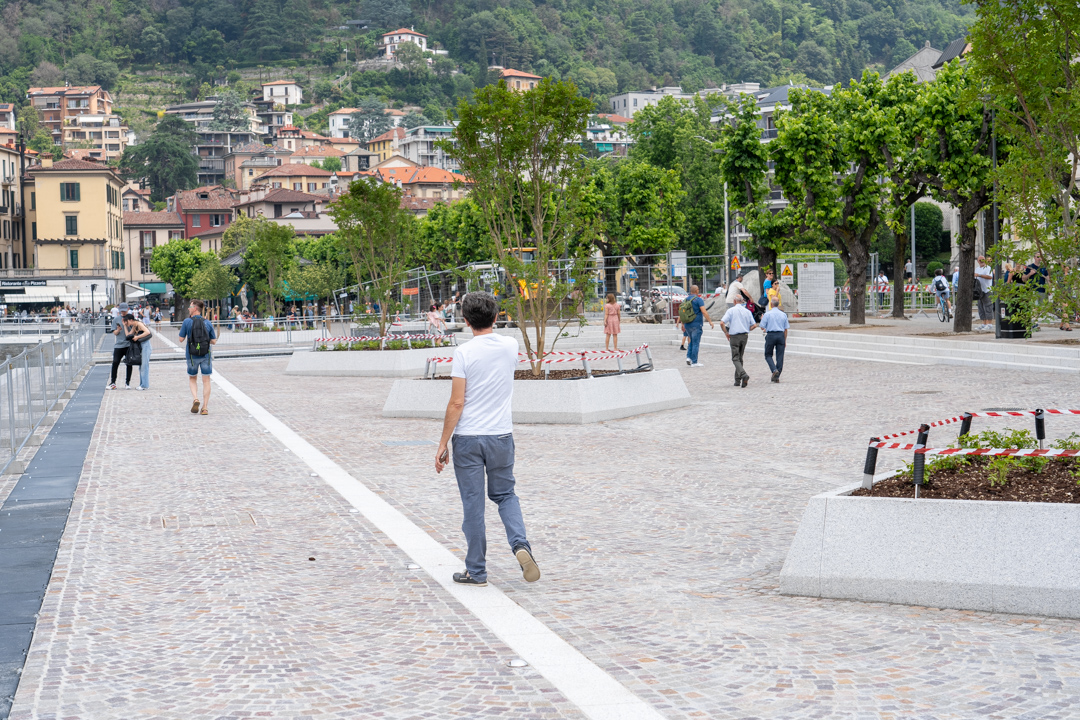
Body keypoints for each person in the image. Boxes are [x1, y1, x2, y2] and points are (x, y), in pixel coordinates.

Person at [434, 292, 539, 588]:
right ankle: (520, 545)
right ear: (496, 317)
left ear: (466, 322)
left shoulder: (464, 353)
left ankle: (476, 571)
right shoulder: (510, 345)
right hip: (501, 436)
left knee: (473, 504)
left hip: (468, 438)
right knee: (505, 495)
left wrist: (443, 443)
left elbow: (456, 403)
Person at [178, 300, 217, 415]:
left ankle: (195, 398)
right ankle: (205, 407)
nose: (188, 308)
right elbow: (213, 341)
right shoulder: (207, 323)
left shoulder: (187, 322)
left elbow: (181, 339)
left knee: (192, 378)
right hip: (205, 355)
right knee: (206, 380)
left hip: (192, 355)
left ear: (195, 308)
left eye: (190, 306)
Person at [720, 294, 758, 387]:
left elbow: (722, 322)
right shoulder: (747, 311)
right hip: (744, 336)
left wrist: (726, 332)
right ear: (742, 301)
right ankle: (737, 380)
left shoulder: (731, 311)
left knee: (735, 358)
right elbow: (754, 325)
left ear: (734, 301)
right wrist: (747, 329)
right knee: (740, 357)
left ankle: (743, 375)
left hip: (734, 336)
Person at [682, 285, 714, 368]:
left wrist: (682, 324)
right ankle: (694, 362)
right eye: (698, 289)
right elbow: (704, 311)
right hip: (696, 324)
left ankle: (689, 358)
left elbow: (682, 313)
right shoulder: (698, 300)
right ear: (696, 290)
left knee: (691, 342)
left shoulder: (685, 300)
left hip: (687, 324)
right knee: (696, 343)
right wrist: (710, 321)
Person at [759, 297, 789, 383]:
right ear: (778, 304)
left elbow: (762, 327)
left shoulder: (767, 314)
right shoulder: (783, 314)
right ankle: (777, 374)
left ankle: (774, 369)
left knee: (768, 354)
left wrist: (762, 320)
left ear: (771, 304)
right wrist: (785, 340)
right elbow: (786, 329)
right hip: (780, 335)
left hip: (771, 335)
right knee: (780, 356)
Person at [122, 313, 153, 390]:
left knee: (144, 366)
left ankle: (144, 385)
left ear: (131, 320)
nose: (127, 323)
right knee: (141, 365)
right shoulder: (134, 325)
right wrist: (125, 326)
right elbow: (128, 335)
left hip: (145, 345)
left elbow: (147, 332)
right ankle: (142, 384)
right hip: (141, 346)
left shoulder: (138, 323)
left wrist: (137, 337)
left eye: (127, 321)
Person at [107, 303, 132, 390]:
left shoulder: (131, 318)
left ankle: (127, 383)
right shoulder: (116, 319)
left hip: (128, 345)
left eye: (125, 310)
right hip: (118, 345)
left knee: (129, 363)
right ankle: (113, 382)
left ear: (128, 309)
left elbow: (133, 331)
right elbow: (114, 333)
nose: (123, 312)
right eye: (122, 310)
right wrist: (118, 329)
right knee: (115, 362)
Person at [974, 256, 994, 332]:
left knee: (988, 306)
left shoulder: (988, 268)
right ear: (977, 261)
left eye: (983, 260)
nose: (981, 261)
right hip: (979, 291)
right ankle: (984, 323)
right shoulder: (977, 269)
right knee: (981, 307)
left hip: (987, 290)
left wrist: (979, 275)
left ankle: (989, 323)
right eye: (980, 260)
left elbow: (990, 277)